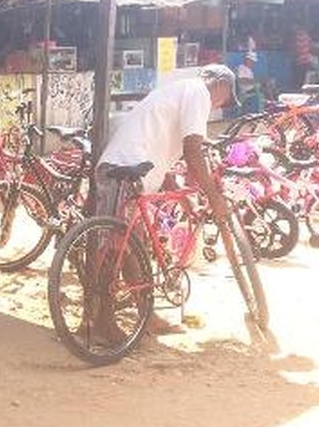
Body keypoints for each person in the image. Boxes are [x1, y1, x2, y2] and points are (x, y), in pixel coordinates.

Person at [92, 65, 240, 337]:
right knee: (116, 249)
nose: (222, 105)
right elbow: (192, 151)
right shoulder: (199, 92)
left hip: (128, 167)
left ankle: (145, 315)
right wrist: (214, 196)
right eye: (227, 98)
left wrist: (181, 196)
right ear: (220, 84)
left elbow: (165, 152)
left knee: (130, 247)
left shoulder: (179, 91)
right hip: (126, 168)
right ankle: (101, 320)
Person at [291, 26, 316, 90]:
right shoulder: (308, 37)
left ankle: (299, 91)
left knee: (298, 81)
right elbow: (312, 48)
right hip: (307, 61)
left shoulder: (295, 37)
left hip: (298, 61)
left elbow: (293, 49)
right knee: (305, 80)